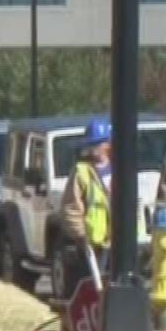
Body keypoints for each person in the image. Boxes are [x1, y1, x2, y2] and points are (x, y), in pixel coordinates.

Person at [59, 117, 113, 297]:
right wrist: (81, 236)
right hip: (93, 243)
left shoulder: (120, 168)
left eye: (98, 144)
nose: (94, 149)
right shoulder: (82, 171)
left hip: (117, 241)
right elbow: (71, 207)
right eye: (92, 144)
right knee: (92, 288)